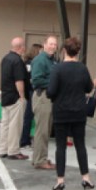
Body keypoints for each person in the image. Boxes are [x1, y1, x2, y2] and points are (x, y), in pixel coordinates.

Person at [47, 36, 95, 190]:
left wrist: (55, 97)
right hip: (79, 111)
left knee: (61, 146)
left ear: (64, 50)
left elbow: (51, 91)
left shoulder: (57, 68)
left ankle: (60, 180)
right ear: (78, 52)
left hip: (61, 111)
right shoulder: (82, 68)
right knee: (80, 145)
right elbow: (89, 88)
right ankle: (86, 178)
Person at [0, 37, 29, 160]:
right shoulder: (17, 61)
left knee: (5, 124)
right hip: (15, 97)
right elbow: (19, 80)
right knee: (15, 125)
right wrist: (22, 96)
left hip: (5, 96)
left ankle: (3, 149)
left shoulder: (5, 59)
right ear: (20, 47)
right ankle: (13, 151)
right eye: (24, 46)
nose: (25, 49)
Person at [30, 36, 58, 170]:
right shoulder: (40, 60)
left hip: (48, 97)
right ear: (44, 45)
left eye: (55, 44)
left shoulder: (51, 60)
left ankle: (38, 157)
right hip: (43, 97)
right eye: (50, 44)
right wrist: (56, 83)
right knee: (42, 130)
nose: (53, 46)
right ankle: (40, 160)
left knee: (44, 129)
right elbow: (36, 80)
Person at [19, 43, 43, 150]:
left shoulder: (26, 62)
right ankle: (25, 141)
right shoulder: (31, 63)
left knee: (29, 117)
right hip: (32, 91)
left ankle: (27, 138)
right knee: (28, 117)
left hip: (29, 91)